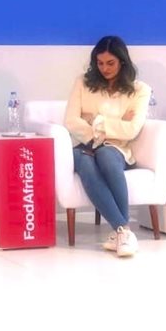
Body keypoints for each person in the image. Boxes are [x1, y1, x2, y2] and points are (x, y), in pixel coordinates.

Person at [63, 35, 150, 257]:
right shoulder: (83, 83)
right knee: (86, 162)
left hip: (116, 149)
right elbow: (71, 121)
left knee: (106, 157)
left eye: (110, 63)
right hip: (83, 145)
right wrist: (112, 126)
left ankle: (119, 232)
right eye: (100, 63)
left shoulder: (139, 90)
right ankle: (123, 230)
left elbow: (132, 129)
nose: (105, 69)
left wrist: (97, 122)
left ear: (122, 61)